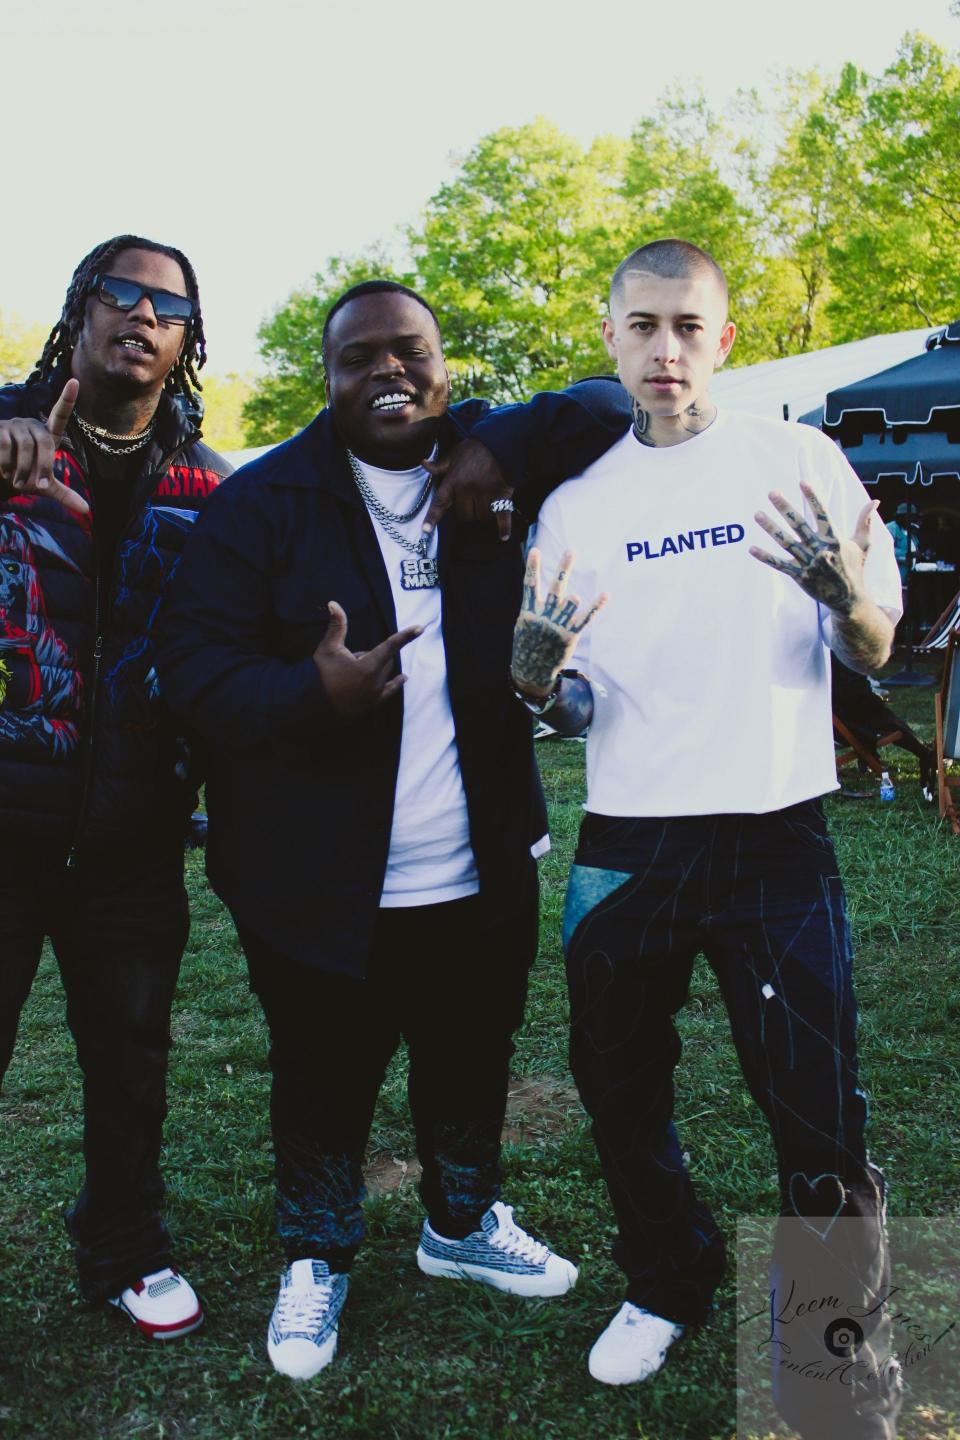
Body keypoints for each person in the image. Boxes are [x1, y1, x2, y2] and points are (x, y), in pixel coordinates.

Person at [155, 280, 627, 1380]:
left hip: (479, 863)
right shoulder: (266, 501)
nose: (388, 375)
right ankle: (317, 1255)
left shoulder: (496, 472)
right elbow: (191, 672)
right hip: (316, 879)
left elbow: (613, 402)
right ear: (326, 379)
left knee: (470, 1063)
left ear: (442, 363)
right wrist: (306, 695)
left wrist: (496, 441)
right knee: (323, 1075)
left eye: (410, 352)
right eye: (358, 358)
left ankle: (459, 1225)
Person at [508, 240, 903, 1438]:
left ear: (724, 337)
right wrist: (538, 692)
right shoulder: (578, 504)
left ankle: (838, 1366)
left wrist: (846, 598)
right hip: (628, 842)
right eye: (643, 326)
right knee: (618, 1087)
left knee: (816, 1108)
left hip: (776, 838)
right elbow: (574, 701)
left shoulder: (798, 461)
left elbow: (877, 647)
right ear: (612, 334)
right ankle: (668, 1279)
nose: (665, 349)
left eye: (688, 326)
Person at [0, 236, 231, 1340]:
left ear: (186, 340)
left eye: (167, 306)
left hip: (134, 835)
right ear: (81, 310)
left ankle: (126, 1247)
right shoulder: (9, 434)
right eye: (121, 293)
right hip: (4, 822)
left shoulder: (212, 488)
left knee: (131, 1060)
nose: (142, 314)